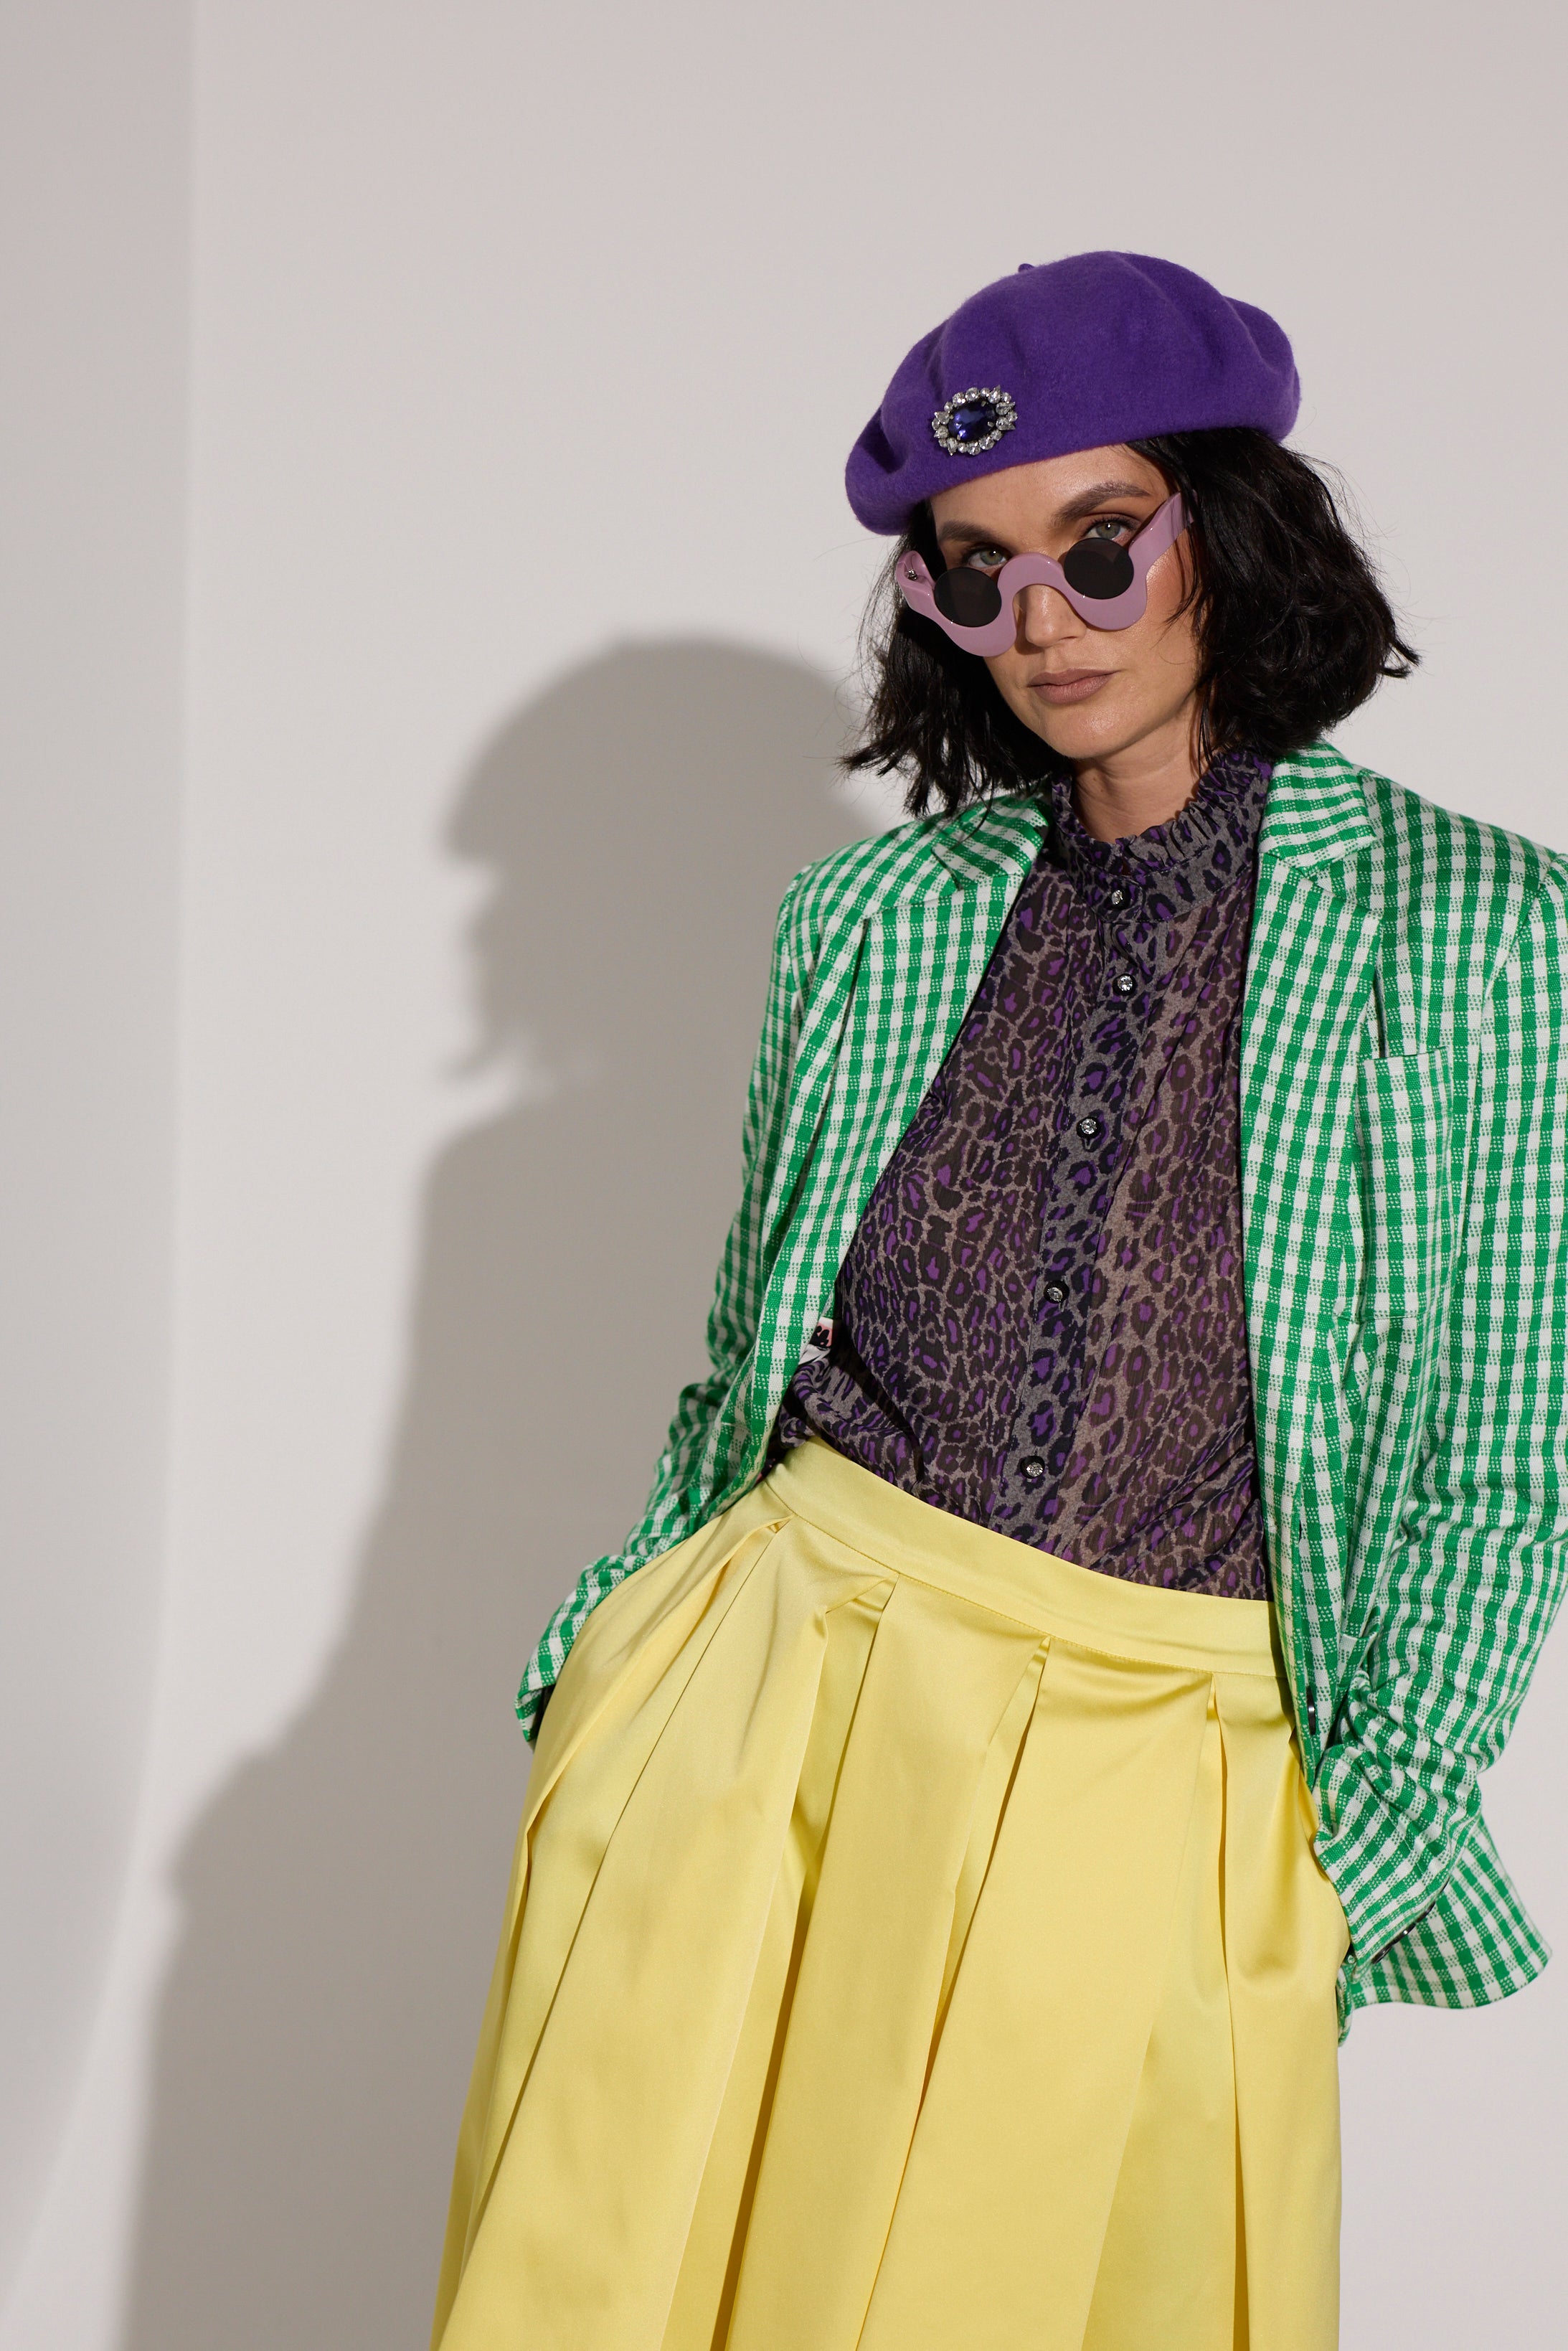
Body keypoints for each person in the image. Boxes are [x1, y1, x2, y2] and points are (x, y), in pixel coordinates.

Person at [429, 253, 1568, 2351]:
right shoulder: (867, 918)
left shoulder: (1487, 935)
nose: (1042, 619)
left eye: (1098, 544)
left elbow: (1502, 1464)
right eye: (975, 571)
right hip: (767, 1710)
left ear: (1227, 531)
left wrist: (1362, 1845)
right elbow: (749, 1357)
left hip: (1167, 1754)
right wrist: (622, 1644)